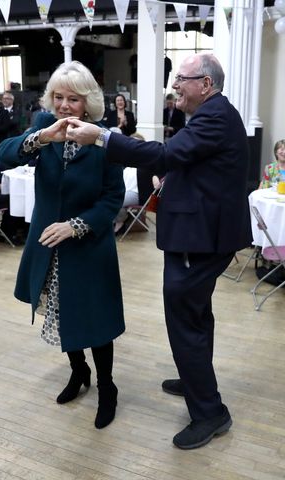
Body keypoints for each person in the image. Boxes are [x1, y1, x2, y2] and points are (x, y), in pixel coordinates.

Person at [66, 53, 253, 449]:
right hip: (202, 231)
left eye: (180, 80)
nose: (174, 87)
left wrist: (100, 137)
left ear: (204, 83)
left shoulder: (214, 114)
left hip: (200, 238)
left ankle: (210, 412)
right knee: (196, 313)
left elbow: (168, 153)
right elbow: (191, 162)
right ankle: (194, 379)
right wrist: (173, 178)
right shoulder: (211, 112)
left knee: (185, 317)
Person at [0, 61, 125, 429]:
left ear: (88, 103)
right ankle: (78, 370)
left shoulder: (104, 138)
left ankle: (108, 387)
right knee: (62, 313)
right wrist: (43, 138)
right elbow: (5, 154)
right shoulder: (43, 126)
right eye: (58, 97)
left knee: (95, 322)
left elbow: (112, 198)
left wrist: (76, 225)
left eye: (73, 98)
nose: (65, 105)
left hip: (88, 246)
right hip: (49, 246)